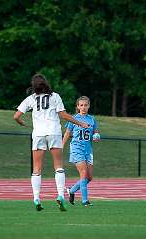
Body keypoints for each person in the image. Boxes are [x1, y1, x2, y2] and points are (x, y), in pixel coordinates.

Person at [14, 73, 89, 211]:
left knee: (36, 169)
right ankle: (60, 195)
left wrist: (22, 123)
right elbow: (63, 115)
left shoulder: (30, 98)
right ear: (45, 83)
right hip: (54, 132)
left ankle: (36, 199)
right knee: (58, 166)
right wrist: (80, 123)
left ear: (34, 85)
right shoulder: (55, 96)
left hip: (38, 134)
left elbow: (16, 116)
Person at [62, 96, 100, 207]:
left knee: (89, 177)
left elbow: (95, 133)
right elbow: (67, 134)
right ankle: (85, 201)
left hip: (88, 150)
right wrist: (61, 146)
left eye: (86, 105)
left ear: (89, 106)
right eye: (81, 105)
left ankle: (72, 190)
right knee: (83, 173)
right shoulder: (73, 119)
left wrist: (96, 137)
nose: (83, 107)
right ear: (78, 106)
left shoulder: (92, 119)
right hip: (76, 148)